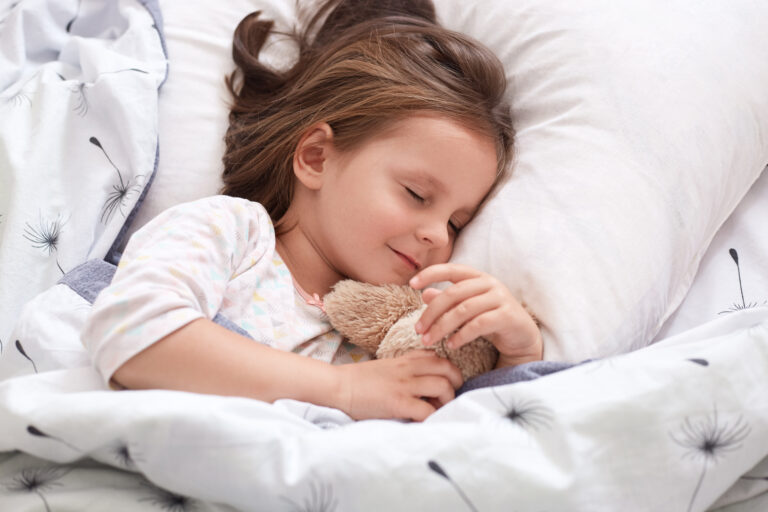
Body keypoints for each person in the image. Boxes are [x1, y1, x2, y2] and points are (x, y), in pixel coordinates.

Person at [82, 0, 542, 422]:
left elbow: (471, 441)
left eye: (456, 222)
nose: (438, 237)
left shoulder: (398, 333)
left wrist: (518, 354)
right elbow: (131, 334)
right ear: (317, 157)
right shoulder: (232, 233)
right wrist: (341, 389)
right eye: (416, 195)